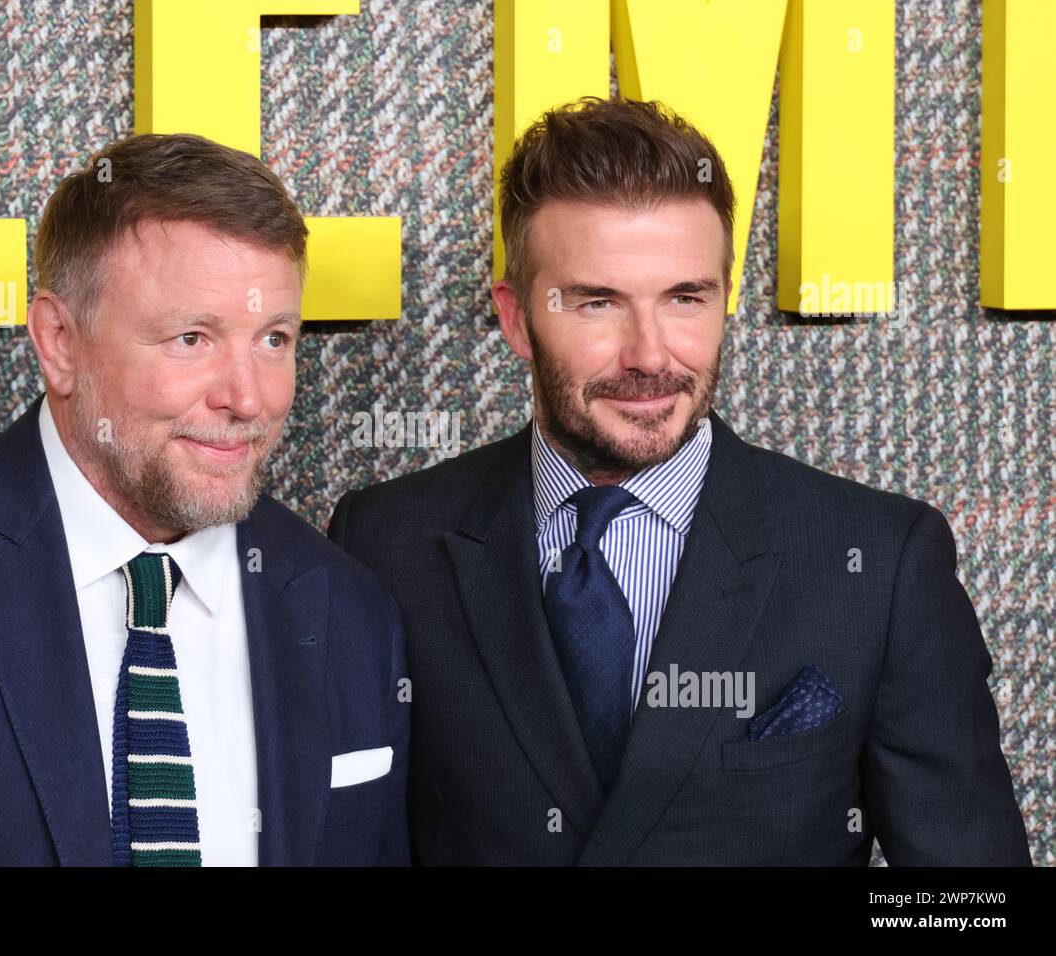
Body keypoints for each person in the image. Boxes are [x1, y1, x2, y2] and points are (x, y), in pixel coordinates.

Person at [328, 96, 1030, 866]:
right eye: (598, 303)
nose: (649, 355)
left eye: (685, 298)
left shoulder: (879, 561)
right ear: (517, 318)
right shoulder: (384, 543)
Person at [0, 133, 408, 866]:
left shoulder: (351, 611)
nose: (248, 397)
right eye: (192, 339)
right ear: (59, 340)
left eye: (275, 339)